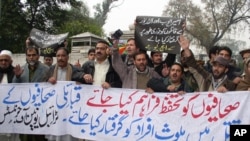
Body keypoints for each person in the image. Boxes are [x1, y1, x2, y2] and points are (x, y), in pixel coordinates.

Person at [46, 47, 85, 141]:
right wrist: (48, 80)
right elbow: (43, 85)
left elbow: (82, 79)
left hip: (70, 109)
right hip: (54, 107)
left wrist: (81, 81)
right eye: (58, 56)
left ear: (67, 57)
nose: (60, 58)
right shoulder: (50, 70)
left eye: (63, 55)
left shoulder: (75, 70)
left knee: (68, 135)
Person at [12, 46, 49, 141]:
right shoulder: (21, 69)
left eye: (33, 55)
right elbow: (13, 88)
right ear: (26, 56)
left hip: (40, 108)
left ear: (38, 56)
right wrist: (17, 76)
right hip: (25, 108)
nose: (31, 57)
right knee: (25, 135)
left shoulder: (46, 69)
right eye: (29, 55)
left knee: (39, 135)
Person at [0, 50, 20, 141]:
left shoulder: (16, 73)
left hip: (12, 112)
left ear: (11, 61)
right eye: (1, 60)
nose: (3, 62)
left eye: (6, 60)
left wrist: (18, 77)